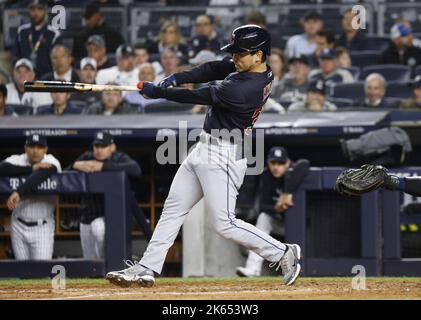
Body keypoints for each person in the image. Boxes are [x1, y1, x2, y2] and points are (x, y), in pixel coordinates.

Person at [106, 24, 302, 288]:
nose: (235, 57)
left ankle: (282, 252)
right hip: (205, 146)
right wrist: (175, 77)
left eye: (240, 53)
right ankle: (147, 266)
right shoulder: (252, 67)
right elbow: (212, 68)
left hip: (224, 154)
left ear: (259, 54)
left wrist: (158, 92)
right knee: (173, 209)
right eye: (235, 52)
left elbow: (199, 95)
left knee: (224, 223)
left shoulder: (246, 88)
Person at [236, 147, 309, 277]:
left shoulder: (294, 172)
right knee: (263, 218)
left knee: (297, 222)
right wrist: (277, 208)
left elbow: (304, 163)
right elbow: (264, 206)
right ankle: (253, 269)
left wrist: (287, 193)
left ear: (288, 163)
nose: (276, 167)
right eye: (273, 163)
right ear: (268, 163)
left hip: (302, 225)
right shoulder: (266, 176)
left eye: (281, 163)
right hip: (280, 223)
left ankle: (295, 270)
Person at [70, 131, 141, 259]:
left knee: (100, 232)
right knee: (89, 259)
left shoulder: (119, 158)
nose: (99, 150)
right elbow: (65, 173)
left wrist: (102, 166)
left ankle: (107, 270)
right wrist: (75, 165)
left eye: (103, 146)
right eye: (97, 146)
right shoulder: (87, 157)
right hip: (86, 215)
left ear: (112, 147)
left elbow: (135, 169)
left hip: (108, 215)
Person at [0, 134, 61, 260]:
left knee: (41, 273)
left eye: (39, 147)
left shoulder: (51, 160)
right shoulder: (18, 159)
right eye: (31, 146)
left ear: (45, 149)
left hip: (42, 226)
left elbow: (43, 173)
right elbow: (2, 168)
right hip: (18, 225)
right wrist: (31, 168)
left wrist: (18, 192)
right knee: (23, 273)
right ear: (25, 148)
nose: (35, 150)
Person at [12, 0, 61, 78]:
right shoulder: (22, 31)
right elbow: (16, 56)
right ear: (29, 11)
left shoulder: (53, 33)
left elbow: (57, 59)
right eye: (32, 9)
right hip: (25, 77)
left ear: (45, 11)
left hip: (47, 78)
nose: (36, 13)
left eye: (39, 9)